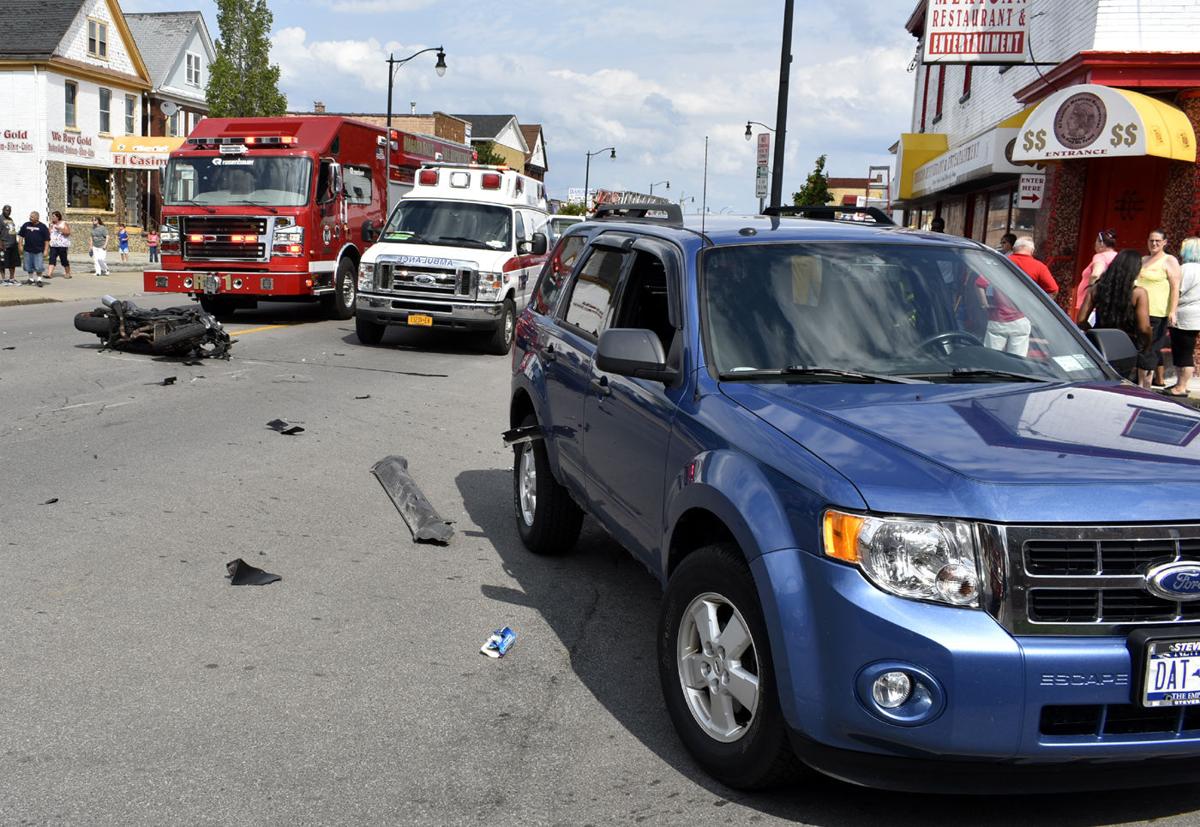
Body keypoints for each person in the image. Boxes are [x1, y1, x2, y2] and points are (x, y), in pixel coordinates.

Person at [1077, 249, 1152, 377]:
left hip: (1100, 344)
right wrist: (1147, 346)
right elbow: (1144, 328)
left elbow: (1081, 320)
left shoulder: (1096, 289)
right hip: (1126, 345)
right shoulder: (1139, 293)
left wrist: (1094, 333)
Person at [1137, 229, 1182, 388]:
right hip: (1139, 311)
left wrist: (1172, 311)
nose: (1154, 243)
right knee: (1140, 347)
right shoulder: (1143, 259)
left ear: (1164, 242)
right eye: (1151, 240)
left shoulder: (1169, 260)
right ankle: (1139, 383)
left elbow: (1175, 287)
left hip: (1157, 312)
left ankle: (1146, 386)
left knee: (1150, 348)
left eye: (1157, 241)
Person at [1166, 236, 1200, 397]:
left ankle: (1181, 386)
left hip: (1184, 314)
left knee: (1182, 353)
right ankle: (1181, 383)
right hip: (1196, 316)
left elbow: (1177, 291)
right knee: (1187, 350)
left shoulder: (1185, 269)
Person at [1075, 229, 1118, 316]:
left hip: (1090, 306)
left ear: (1101, 244)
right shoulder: (1118, 256)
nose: (1094, 244)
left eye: (1096, 242)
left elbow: (1096, 275)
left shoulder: (1100, 256)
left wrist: (1090, 295)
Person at [17, 210, 50, 287]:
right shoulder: (26, 225)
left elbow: (47, 240)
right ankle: (31, 279)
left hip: (38, 250)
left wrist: (46, 250)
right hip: (27, 250)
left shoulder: (43, 227)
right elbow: (21, 236)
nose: (30, 218)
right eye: (30, 216)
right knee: (28, 266)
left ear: (37, 218)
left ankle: (39, 280)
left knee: (39, 266)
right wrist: (20, 245)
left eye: (32, 217)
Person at [47, 210, 71, 279]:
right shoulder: (52, 225)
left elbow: (68, 233)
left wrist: (60, 229)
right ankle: (49, 274)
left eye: (53, 216)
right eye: (52, 216)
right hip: (53, 245)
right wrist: (50, 228)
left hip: (62, 245)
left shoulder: (63, 223)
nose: (52, 218)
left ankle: (68, 273)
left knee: (64, 259)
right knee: (52, 259)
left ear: (58, 217)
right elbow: (48, 234)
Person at [0, 205, 19, 285]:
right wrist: (0, 244)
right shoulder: (0, 219)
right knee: (2, 263)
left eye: (10, 210)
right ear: (3, 210)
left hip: (13, 244)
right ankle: (3, 279)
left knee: (13, 263)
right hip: (4, 244)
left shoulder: (10, 219)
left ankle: (11, 278)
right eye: (7, 210)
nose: (8, 212)